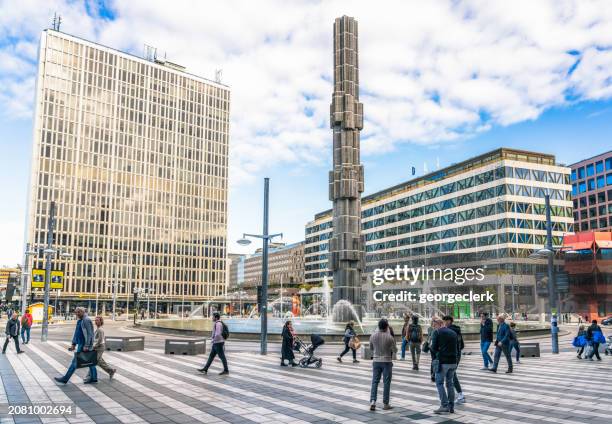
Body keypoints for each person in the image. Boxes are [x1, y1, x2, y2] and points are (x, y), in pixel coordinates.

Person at [54, 307, 97, 384]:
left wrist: (87, 345)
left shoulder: (86, 320)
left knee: (75, 362)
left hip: (84, 345)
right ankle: (94, 378)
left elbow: (90, 334)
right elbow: (77, 333)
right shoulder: (79, 321)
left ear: (83, 312)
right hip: (80, 344)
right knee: (90, 361)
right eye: (76, 312)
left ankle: (65, 378)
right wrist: (73, 344)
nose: (77, 314)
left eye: (78, 312)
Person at [431, 315, 458, 414]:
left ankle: (444, 405)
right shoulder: (453, 332)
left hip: (443, 362)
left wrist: (434, 347)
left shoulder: (437, 332)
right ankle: (451, 406)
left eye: (434, 325)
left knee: (439, 383)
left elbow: (433, 348)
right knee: (450, 384)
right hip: (453, 362)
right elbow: (458, 348)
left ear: (438, 324)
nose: (434, 327)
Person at [369, 318, 397, 411]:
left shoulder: (373, 336)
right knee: (386, 383)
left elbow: (371, 348)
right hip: (387, 361)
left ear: (378, 326)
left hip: (376, 361)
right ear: (386, 327)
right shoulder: (390, 337)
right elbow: (395, 350)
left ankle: (373, 401)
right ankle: (386, 404)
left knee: (375, 382)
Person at [443, 315, 465, 404]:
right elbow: (462, 345)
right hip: (456, 354)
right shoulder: (457, 330)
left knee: (452, 374)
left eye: (445, 321)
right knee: (452, 374)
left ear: (449, 321)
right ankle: (458, 395)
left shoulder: (450, 331)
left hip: (452, 355)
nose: (444, 322)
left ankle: (460, 395)